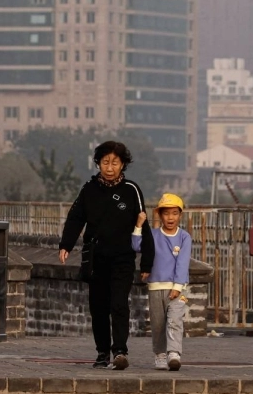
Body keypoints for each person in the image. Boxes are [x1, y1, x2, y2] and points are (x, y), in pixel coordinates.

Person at [58, 141, 154, 370]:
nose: (110, 168)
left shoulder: (131, 190)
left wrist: (147, 261)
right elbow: (75, 218)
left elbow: (143, 224)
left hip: (123, 258)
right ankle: (102, 352)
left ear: (123, 165)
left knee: (119, 304)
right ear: (98, 163)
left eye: (115, 163)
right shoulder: (89, 190)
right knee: (98, 307)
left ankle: (120, 351)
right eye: (105, 162)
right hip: (96, 258)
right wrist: (66, 244)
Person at [132, 193, 192, 371]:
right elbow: (136, 246)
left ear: (180, 215)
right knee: (158, 324)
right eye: (166, 213)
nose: (170, 217)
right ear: (159, 215)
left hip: (177, 288)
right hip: (155, 286)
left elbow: (182, 263)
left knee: (174, 321)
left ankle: (174, 353)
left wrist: (177, 286)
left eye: (174, 213)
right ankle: (159, 354)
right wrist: (138, 226)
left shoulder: (184, 238)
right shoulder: (152, 235)